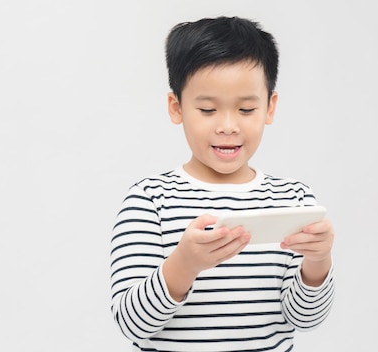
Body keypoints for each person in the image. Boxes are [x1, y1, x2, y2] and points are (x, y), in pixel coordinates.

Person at [109, 16, 335, 351]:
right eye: (207, 109)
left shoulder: (293, 200)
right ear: (177, 107)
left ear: (269, 108)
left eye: (246, 109)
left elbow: (306, 319)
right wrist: (183, 265)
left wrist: (319, 261)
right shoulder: (150, 201)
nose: (228, 126)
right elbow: (131, 323)